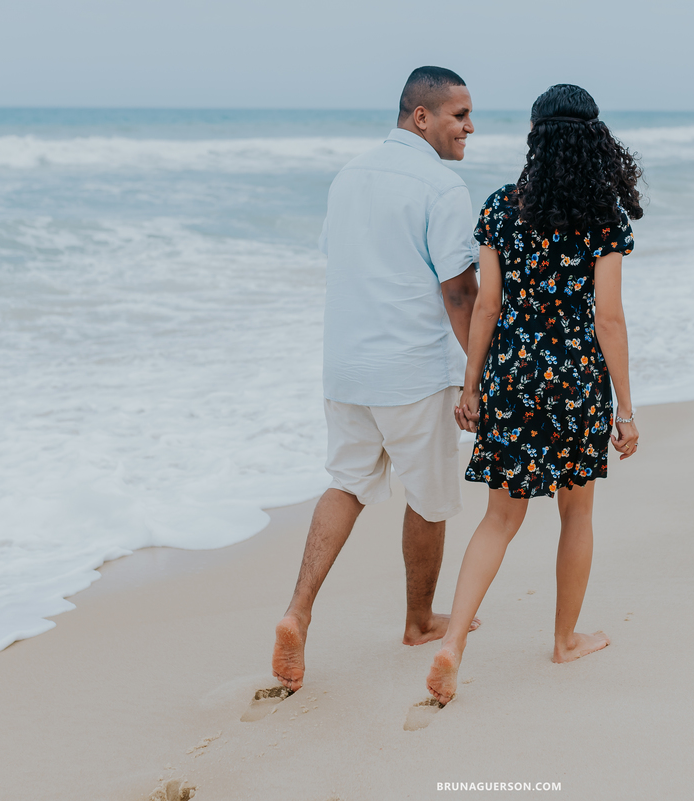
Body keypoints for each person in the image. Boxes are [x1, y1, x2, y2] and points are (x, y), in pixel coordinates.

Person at [426, 84, 643, 704]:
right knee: (577, 513)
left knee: (500, 518)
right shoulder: (604, 218)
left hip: (513, 377)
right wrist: (625, 410)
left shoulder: (500, 207)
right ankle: (565, 639)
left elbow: (486, 306)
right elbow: (609, 319)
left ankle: (453, 645)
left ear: (535, 135)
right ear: (593, 138)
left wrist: (471, 388)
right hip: (575, 380)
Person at [272, 66, 482, 692]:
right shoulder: (443, 188)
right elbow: (460, 292)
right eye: (459, 115)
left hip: (346, 366)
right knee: (429, 496)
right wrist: (478, 375)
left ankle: (297, 611)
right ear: (422, 117)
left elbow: (341, 257)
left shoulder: (349, 175)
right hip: (412, 371)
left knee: (347, 485)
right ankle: (419, 622)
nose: (469, 128)